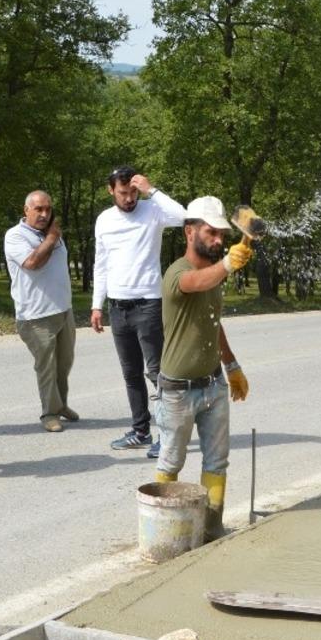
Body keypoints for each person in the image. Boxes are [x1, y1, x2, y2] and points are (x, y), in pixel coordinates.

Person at [152, 196, 254, 541]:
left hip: (213, 386)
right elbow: (194, 284)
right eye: (211, 232)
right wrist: (227, 264)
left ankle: (211, 530)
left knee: (216, 462)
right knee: (170, 463)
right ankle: (167, 534)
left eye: (222, 234)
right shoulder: (176, 273)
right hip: (178, 391)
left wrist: (232, 365)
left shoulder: (214, 277)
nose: (218, 240)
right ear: (189, 231)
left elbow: (214, 323)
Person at [90, 166, 187, 458]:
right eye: (123, 193)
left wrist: (151, 190)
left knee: (158, 373)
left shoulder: (152, 210)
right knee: (131, 373)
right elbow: (101, 263)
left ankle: (166, 435)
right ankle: (140, 431)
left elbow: (184, 216)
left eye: (133, 192)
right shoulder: (104, 220)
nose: (129, 198)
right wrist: (97, 304)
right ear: (111, 191)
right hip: (118, 307)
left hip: (148, 303)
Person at [4, 190, 78, 432]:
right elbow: (33, 264)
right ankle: (49, 413)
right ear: (26, 210)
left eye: (48, 209)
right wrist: (52, 237)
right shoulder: (15, 236)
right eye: (39, 209)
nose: (44, 214)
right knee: (46, 366)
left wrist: (52, 236)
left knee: (64, 363)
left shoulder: (51, 235)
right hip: (36, 315)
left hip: (63, 309)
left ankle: (61, 404)